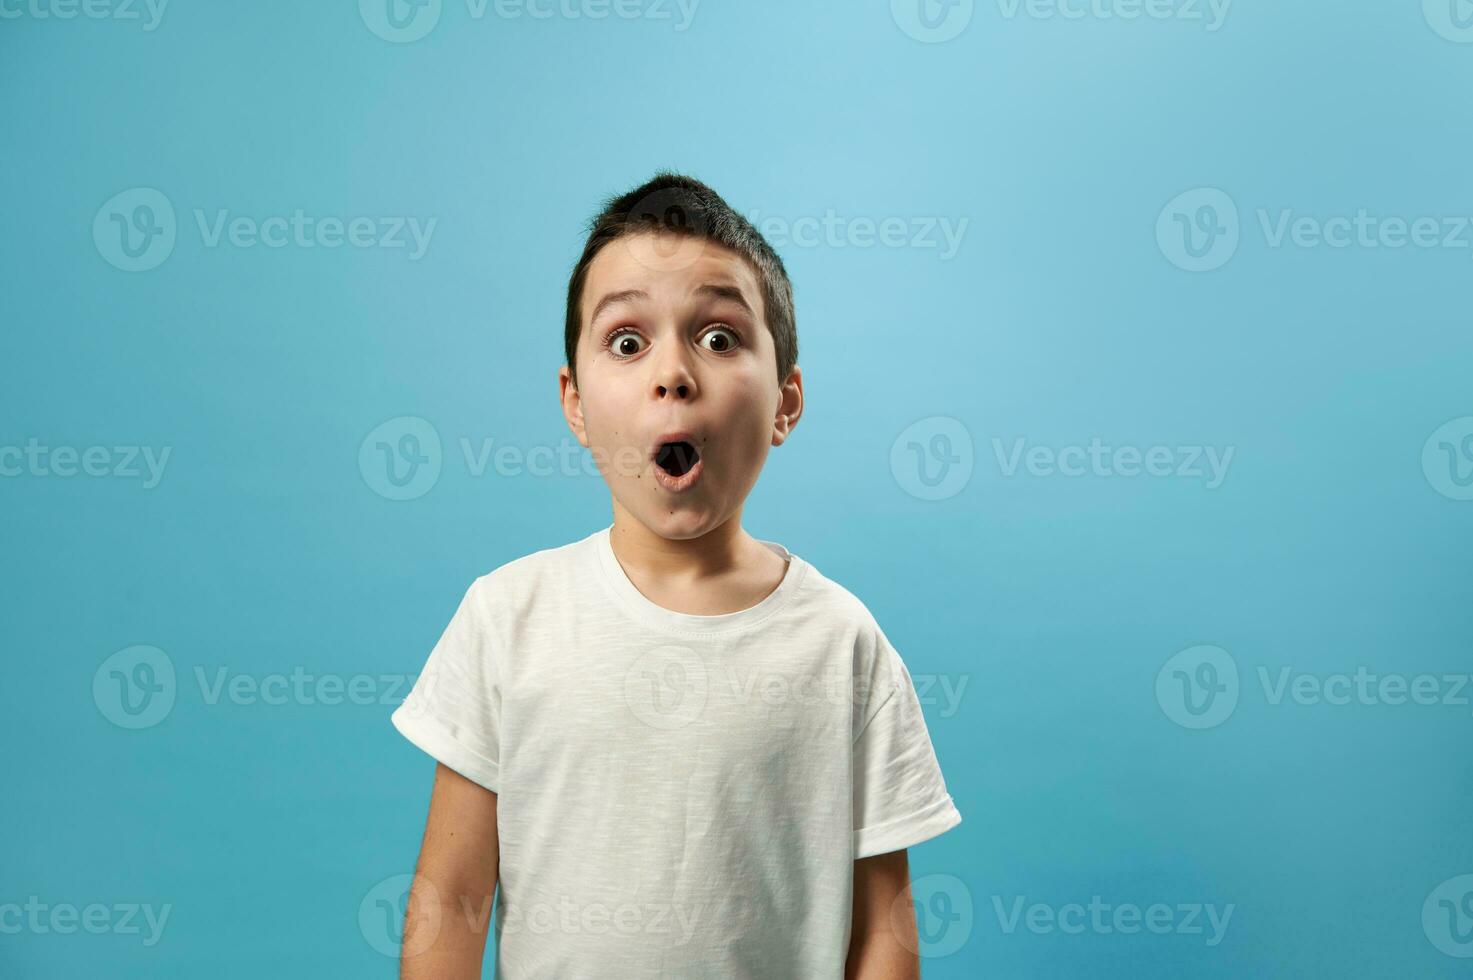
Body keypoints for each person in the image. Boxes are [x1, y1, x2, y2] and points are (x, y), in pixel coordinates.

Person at [389, 170, 962, 978]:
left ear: (784, 403)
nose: (673, 372)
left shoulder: (842, 645)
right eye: (627, 341)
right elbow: (450, 901)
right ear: (576, 403)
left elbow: (884, 930)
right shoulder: (506, 617)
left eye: (719, 337)